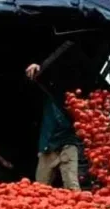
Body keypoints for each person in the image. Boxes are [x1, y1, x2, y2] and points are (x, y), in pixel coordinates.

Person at [25, 63, 81, 191]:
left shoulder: (76, 98)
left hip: (68, 143)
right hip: (48, 145)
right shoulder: (48, 93)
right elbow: (33, 84)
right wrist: (37, 70)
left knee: (72, 186)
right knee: (39, 188)